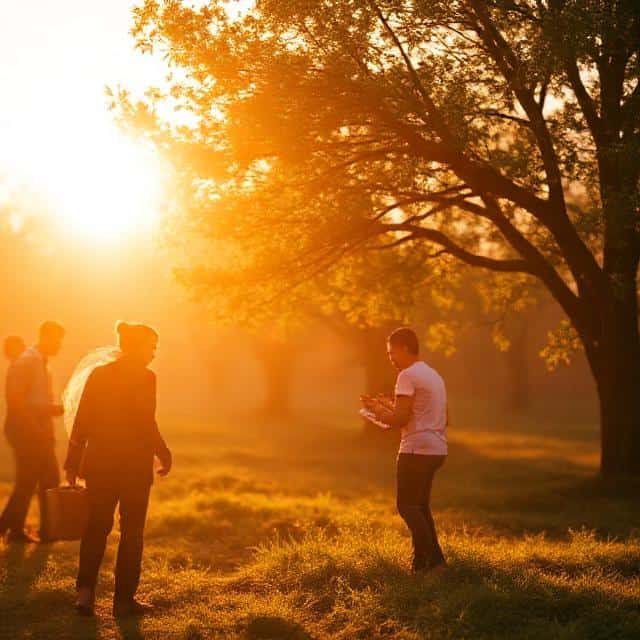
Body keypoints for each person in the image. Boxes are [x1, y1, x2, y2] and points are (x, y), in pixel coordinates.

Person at [64, 322, 172, 618]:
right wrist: (163, 452)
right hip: (134, 466)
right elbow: (146, 422)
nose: (153, 353)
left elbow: (81, 420)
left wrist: (72, 462)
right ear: (136, 346)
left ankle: (84, 593)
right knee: (132, 531)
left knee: (96, 527)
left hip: (99, 462)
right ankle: (124, 601)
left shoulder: (99, 375)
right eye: (151, 347)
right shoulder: (146, 378)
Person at [361, 327, 448, 574]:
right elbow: (416, 413)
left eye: (392, 353)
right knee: (420, 507)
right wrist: (386, 407)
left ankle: (434, 562)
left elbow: (398, 419)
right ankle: (424, 565)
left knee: (407, 507)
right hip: (436, 448)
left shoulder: (407, 375)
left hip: (415, 449)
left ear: (405, 348)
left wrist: (376, 412)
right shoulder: (432, 375)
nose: (390, 359)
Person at [0, 323, 65, 543]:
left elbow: (34, 401)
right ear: (46, 337)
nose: (59, 345)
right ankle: (44, 532)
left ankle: (17, 529)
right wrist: (36, 429)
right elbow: (16, 400)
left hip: (36, 431)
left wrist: (54, 410)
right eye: (57, 340)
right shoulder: (28, 361)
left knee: (32, 482)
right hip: (27, 431)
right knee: (44, 480)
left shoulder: (41, 363)